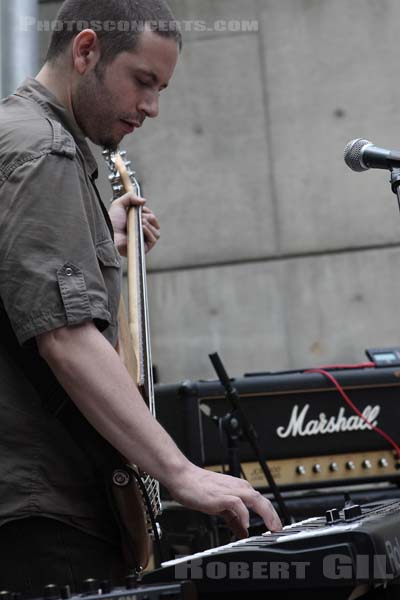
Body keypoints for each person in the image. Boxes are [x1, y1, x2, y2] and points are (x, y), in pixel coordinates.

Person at [0, 0, 282, 595]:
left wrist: (101, 241)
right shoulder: (44, 152)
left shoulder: (21, 137)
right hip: (45, 513)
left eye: (162, 89)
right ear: (86, 52)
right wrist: (180, 473)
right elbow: (67, 339)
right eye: (143, 82)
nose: (152, 108)